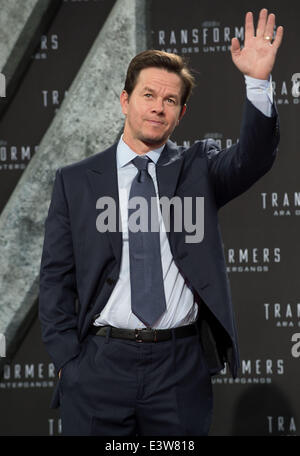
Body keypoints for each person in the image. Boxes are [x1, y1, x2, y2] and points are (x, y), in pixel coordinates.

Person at [39, 9, 283, 436]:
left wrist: (257, 83)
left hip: (179, 369)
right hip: (100, 366)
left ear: (181, 113)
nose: (158, 108)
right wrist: (68, 364)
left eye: (170, 100)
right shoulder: (75, 182)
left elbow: (253, 158)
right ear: (125, 100)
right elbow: (56, 280)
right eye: (148, 95)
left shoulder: (197, 167)